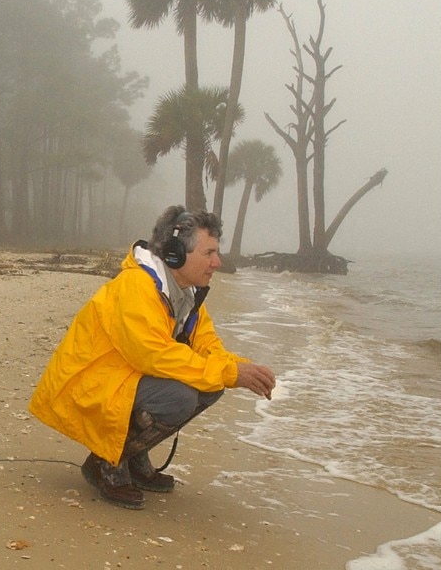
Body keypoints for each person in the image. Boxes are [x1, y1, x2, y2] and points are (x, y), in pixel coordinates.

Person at [28, 205, 276, 509]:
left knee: (212, 384)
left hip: (124, 377)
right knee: (180, 397)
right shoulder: (137, 286)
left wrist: (240, 367)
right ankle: (106, 460)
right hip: (90, 383)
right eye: (209, 253)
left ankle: (133, 456)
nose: (217, 262)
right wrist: (229, 372)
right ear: (175, 254)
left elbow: (206, 344)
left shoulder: (187, 293)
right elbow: (153, 354)